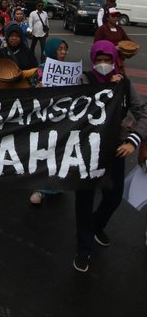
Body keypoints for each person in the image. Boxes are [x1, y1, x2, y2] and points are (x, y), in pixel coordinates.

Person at [73, 40, 147, 273]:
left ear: (114, 60)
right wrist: (106, 91)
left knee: (113, 197)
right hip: (88, 150)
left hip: (115, 148)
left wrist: (132, 140)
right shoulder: (85, 79)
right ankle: (83, 248)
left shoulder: (124, 83)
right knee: (84, 199)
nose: (103, 64)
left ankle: (95, 226)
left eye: (108, 60)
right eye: (99, 60)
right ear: (93, 60)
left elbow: (142, 112)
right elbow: (77, 108)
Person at [28, 38, 69, 204]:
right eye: (60, 49)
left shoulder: (69, 70)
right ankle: (40, 188)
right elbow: (29, 93)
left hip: (63, 118)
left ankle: (56, 184)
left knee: (59, 151)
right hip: (44, 118)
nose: (63, 52)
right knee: (43, 150)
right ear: (52, 50)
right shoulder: (40, 70)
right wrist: (36, 89)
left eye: (65, 49)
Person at [0, 23, 38, 88]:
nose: (14, 38)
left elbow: (35, 69)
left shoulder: (26, 50)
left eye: (17, 36)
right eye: (11, 36)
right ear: (7, 36)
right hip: (3, 86)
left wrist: (22, 74)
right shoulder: (0, 47)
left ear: (21, 37)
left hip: (21, 85)